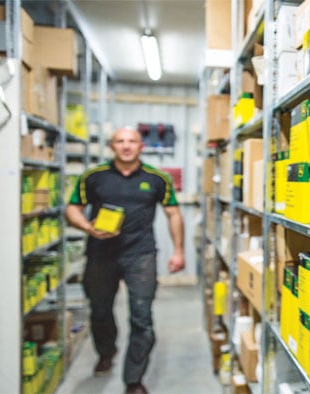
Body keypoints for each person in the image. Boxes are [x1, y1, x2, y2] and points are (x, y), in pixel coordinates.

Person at [65, 126, 185, 394]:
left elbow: (173, 214)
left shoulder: (158, 178)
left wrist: (178, 251)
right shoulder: (93, 177)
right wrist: (87, 227)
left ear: (141, 146)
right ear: (112, 146)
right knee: (99, 310)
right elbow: (72, 208)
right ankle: (106, 351)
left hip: (140, 255)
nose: (126, 145)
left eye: (132, 141)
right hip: (100, 254)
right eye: (120, 141)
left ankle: (134, 379)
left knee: (142, 318)